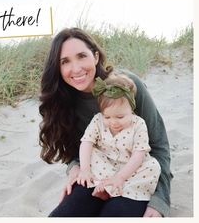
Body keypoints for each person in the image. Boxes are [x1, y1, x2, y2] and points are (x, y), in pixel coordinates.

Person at [39, 27, 172, 217]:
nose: (76, 68)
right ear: (58, 68)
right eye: (65, 61)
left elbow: (159, 146)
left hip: (136, 175)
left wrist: (159, 201)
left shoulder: (127, 87)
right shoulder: (62, 101)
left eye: (82, 56)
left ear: (95, 56)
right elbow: (74, 151)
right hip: (96, 172)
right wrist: (74, 168)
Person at [77, 74, 161, 206]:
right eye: (108, 117)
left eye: (120, 116)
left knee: (153, 167)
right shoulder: (98, 120)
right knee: (91, 152)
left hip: (130, 167)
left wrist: (120, 176)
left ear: (131, 109)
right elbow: (86, 142)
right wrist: (85, 169)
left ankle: (116, 187)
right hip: (106, 163)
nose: (113, 122)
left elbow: (138, 155)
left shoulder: (138, 124)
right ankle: (103, 185)